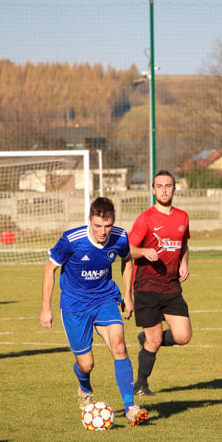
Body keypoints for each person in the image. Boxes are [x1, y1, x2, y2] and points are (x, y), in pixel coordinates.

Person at [40, 197, 148, 426]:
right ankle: (84, 385)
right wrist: (46, 307)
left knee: (119, 346)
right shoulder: (72, 240)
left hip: (105, 299)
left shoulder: (120, 236)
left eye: (107, 226)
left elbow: (127, 261)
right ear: (89, 220)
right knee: (86, 364)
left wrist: (128, 295)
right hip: (74, 305)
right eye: (98, 226)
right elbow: (50, 269)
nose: (103, 231)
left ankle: (130, 408)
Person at [129, 170, 192, 396]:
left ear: (175, 189)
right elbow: (127, 250)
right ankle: (141, 385)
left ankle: (146, 340)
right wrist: (144, 251)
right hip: (147, 286)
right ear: (153, 190)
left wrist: (184, 263)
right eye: (160, 186)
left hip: (172, 286)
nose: (164, 189)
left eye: (168, 185)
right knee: (154, 340)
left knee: (183, 336)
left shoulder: (182, 217)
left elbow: (184, 245)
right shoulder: (145, 218)